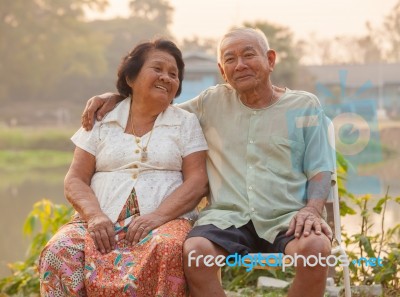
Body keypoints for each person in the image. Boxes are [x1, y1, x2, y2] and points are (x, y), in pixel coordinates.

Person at [81, 28, 335, 297]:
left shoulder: (304, 106)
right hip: (228, 218)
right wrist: (118, 98)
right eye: (230, 59)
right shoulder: (209, 103)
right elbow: (158, 106)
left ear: (270, 60)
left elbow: (320, 168)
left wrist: (312, 209)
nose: (240, 65)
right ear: (222, 70)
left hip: (288, 216)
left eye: (249, 55)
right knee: (196, 253)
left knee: (315, 251)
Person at [39, 38, 208, 297]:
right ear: (131, 77)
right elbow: (75, 178)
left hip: (165, 221)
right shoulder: (101, 119)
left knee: (166, 247)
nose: (166, 77)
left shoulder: (186, 123)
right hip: (98, 219)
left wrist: (159, 216)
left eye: (173, 74)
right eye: (158, 69)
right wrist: (95, 216)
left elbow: (197, 181)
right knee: (59, 250)